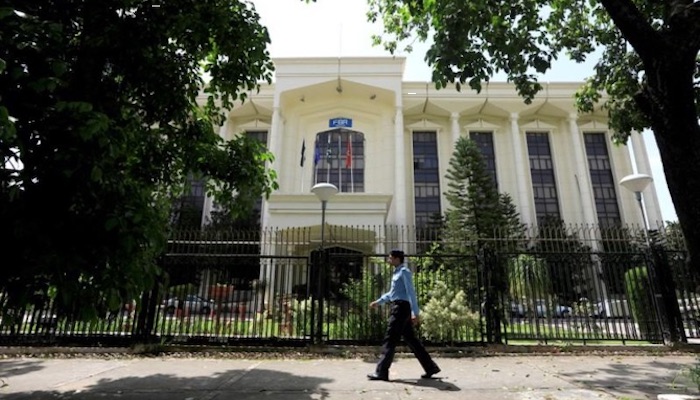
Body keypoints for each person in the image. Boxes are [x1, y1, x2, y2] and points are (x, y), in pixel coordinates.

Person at [367, 249, 441, 381]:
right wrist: (378, 302)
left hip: (401, 309)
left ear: (397, 259)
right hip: (400, 307)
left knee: (390, 339)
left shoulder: (404, 272)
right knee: (411, 339)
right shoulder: (396, 273)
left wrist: (415, 313)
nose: (388, 260)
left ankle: (381, 372)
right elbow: (392, 293)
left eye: (390, 258)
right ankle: (431, 367)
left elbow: (411, 292)